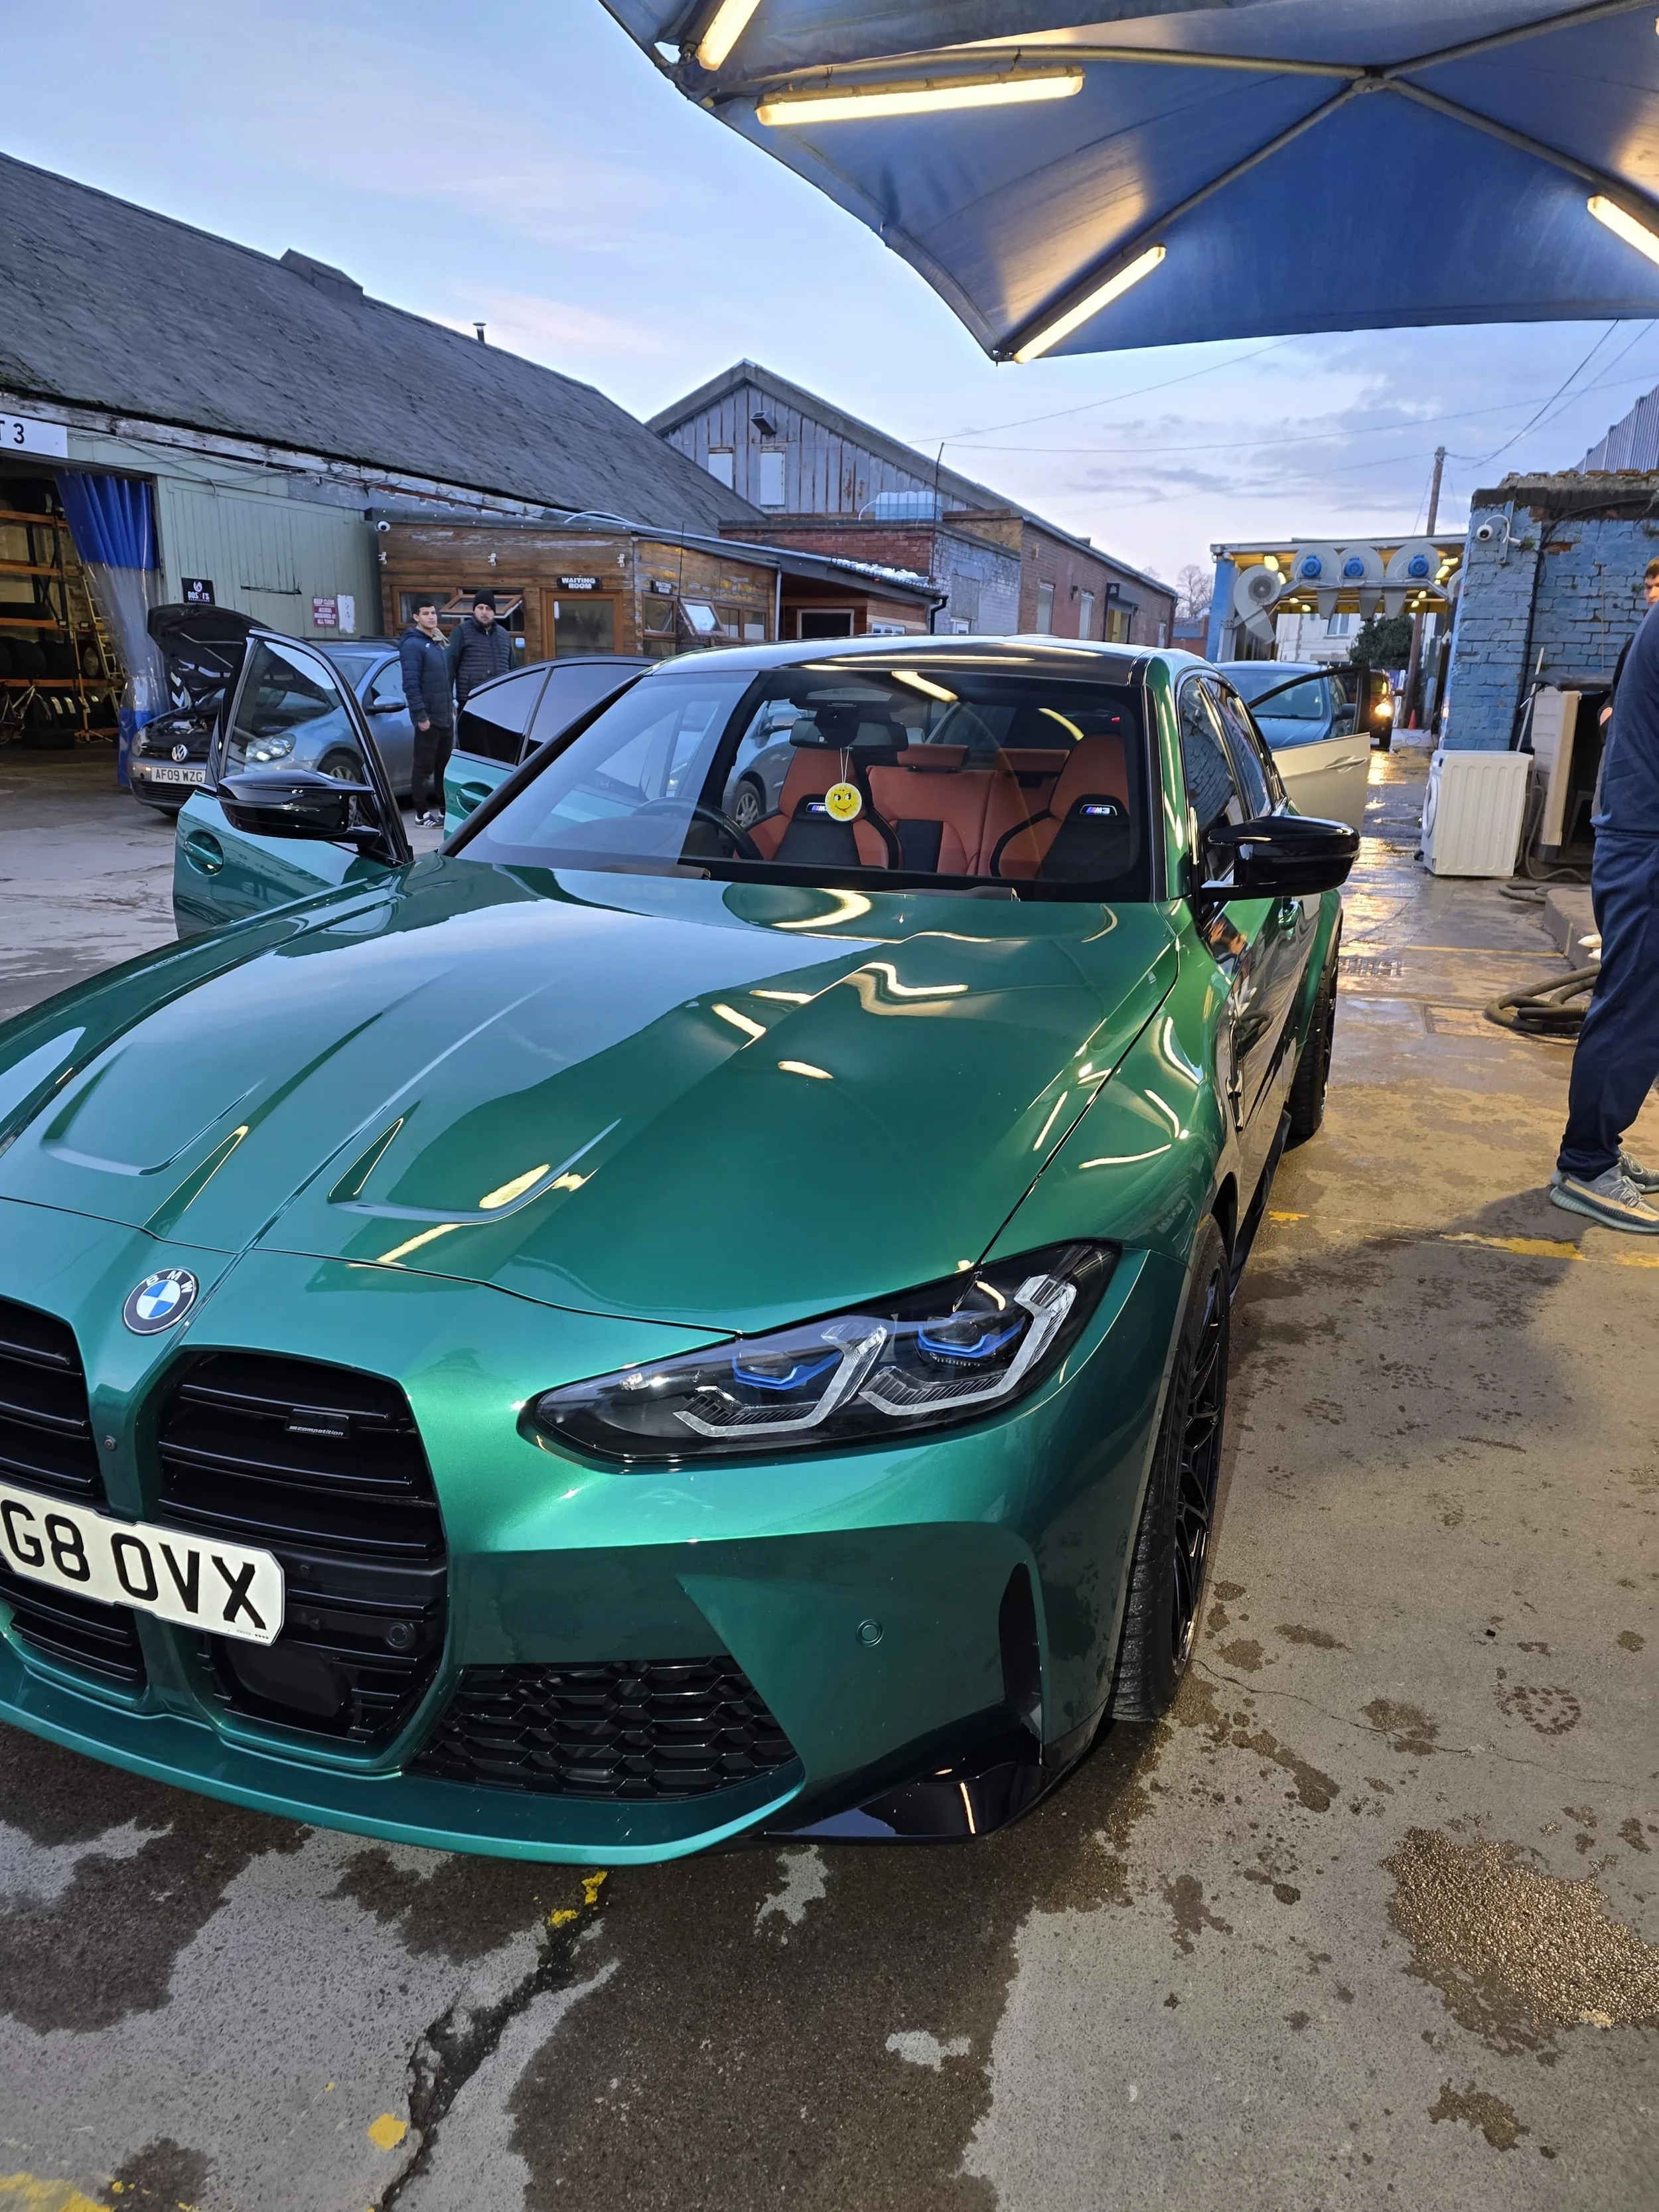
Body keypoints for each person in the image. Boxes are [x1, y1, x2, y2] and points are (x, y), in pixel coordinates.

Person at [1551, 587, 1659, 1232]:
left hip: (1639, 837)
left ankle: (1600, 1151)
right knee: (1630, 1014)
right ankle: (1586, 1164)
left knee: (1639, 1011)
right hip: (1647, 844)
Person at [397, 598, 453, 826]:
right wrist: (421, 716)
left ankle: (444, 811)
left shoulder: (437, 642)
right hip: (428, 720)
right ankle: (421, 814)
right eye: (426, 613)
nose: (432, 617)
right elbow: (411, 684)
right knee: (423, 769)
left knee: (444, 768)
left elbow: (443, 680)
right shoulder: (413, 645)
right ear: (416, 617)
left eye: (433, 613)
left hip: (445, 717)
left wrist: (451, 708)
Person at [1599, 556, 1659, 728]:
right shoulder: (1635, 643)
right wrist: (1607, 714)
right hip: (1630, 746)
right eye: (1648, 588)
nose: (1653, 594)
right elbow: (1617, 692)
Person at [447, 589, 512, 707]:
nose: (484, 612)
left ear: (494, 612)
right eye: (480, 608)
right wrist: (449, 701)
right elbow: (449, 668)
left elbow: (513, 668)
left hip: (501, 700)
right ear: (474, 610)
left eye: (488, 609)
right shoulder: (461, 632)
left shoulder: (504, 635)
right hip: (471, 701)